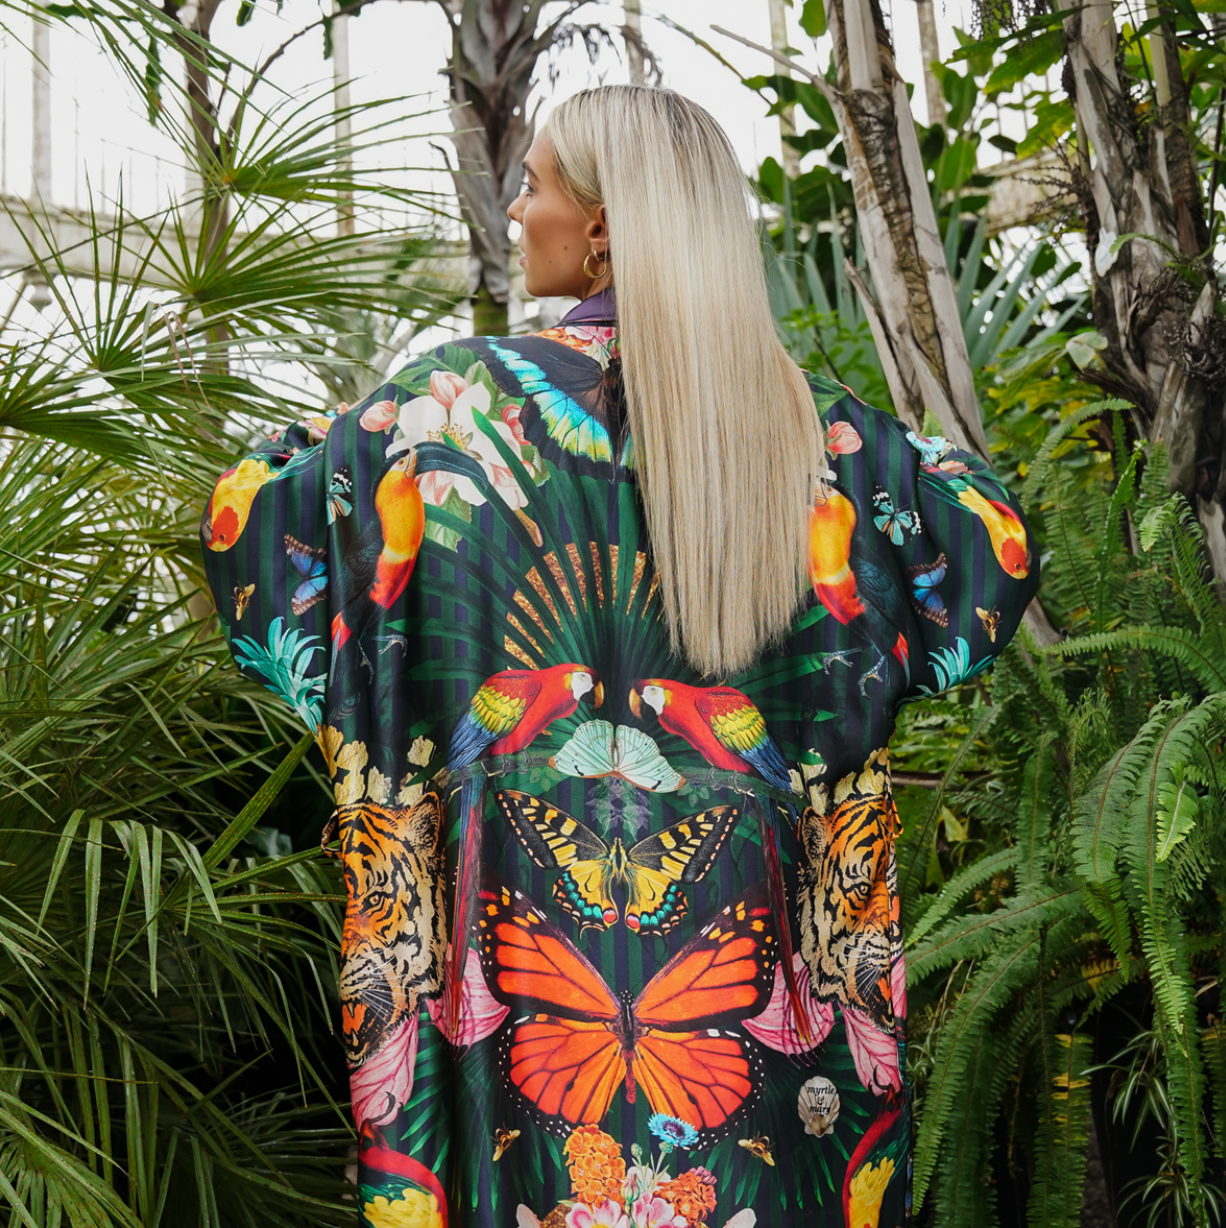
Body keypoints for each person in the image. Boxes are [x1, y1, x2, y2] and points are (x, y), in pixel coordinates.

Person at [202, 85, 1038, 1228]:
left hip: (518, 972)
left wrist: (328, 437)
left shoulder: (444, 412)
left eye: (533, 183)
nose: (515, 211)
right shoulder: (809, 429)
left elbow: (254, 528)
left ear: (599, 225)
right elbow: (986, 549)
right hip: (750, 974)